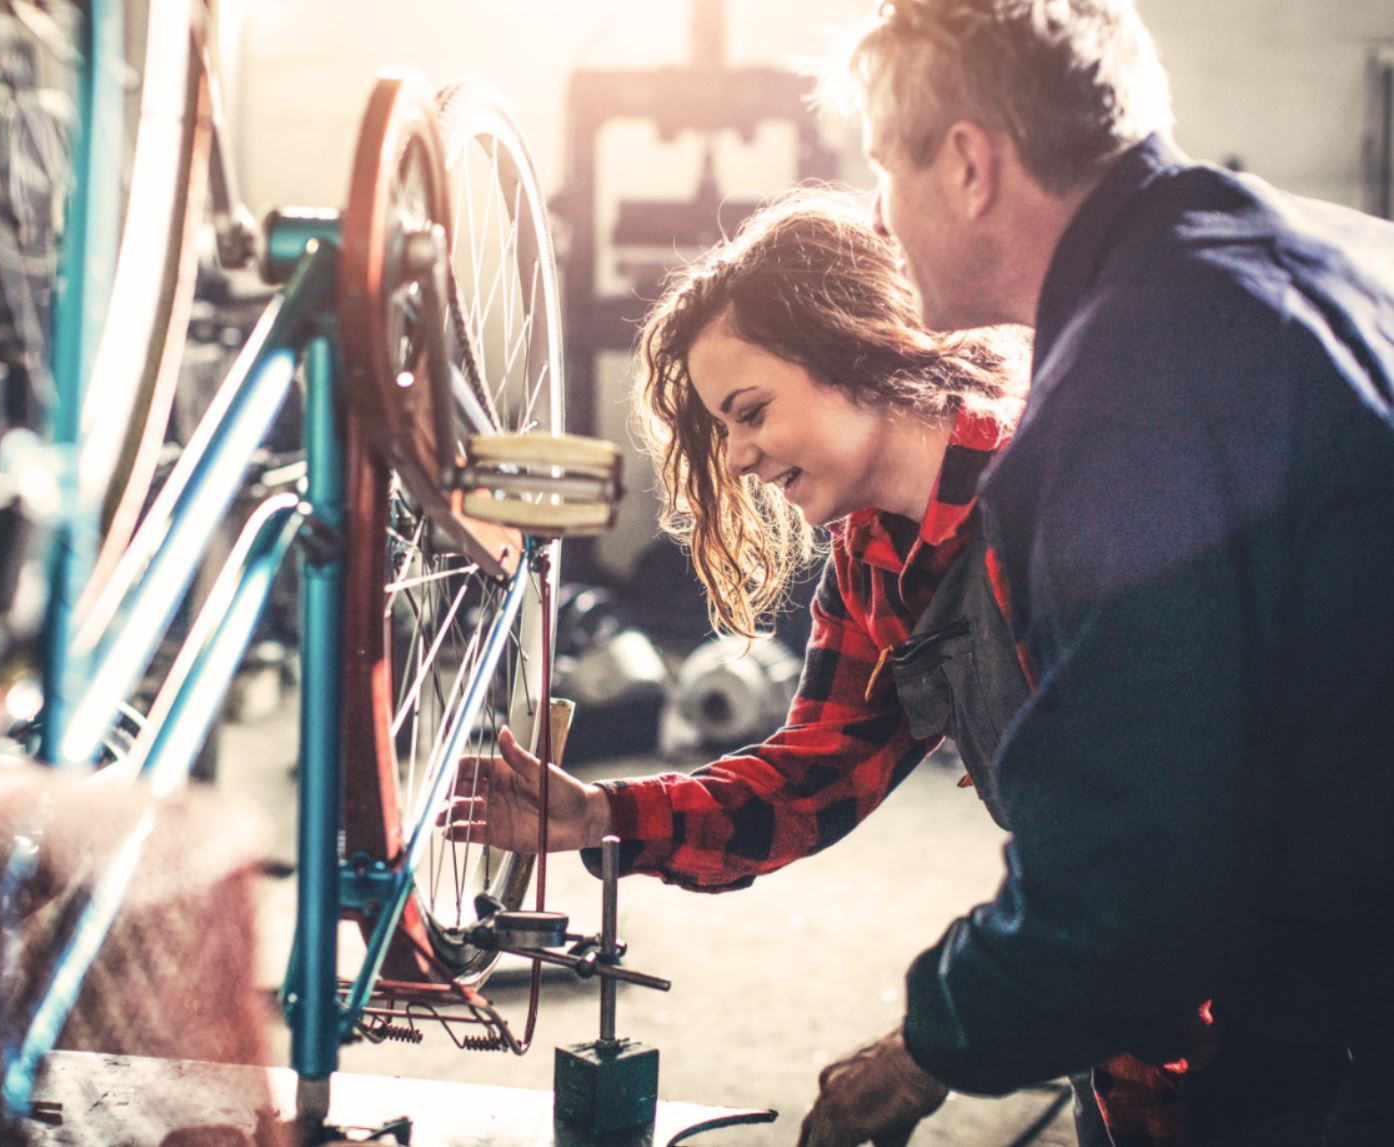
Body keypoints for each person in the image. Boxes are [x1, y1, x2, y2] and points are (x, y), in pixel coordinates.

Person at [789, 1, 1394, 1145]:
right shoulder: (1338, 252)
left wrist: (932, 1041)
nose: (877, 214)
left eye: (882, 167)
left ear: (969, 163)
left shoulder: (1125, 399)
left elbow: (1134, 874)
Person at [442, 188, 1087, 1137]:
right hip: (1123, 982)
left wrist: (927, 1047)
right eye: (722, 430)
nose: (738, 457)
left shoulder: (1057, 501)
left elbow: (1141, 854)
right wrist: (599, 816)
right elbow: (808, 779)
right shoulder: (875, 559)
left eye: (750, 412)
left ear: (858, 349)